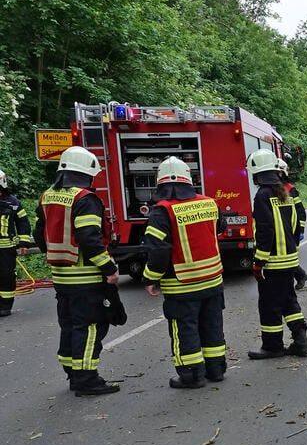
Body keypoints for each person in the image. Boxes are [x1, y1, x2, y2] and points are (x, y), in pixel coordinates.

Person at [33, 146, 120, 396]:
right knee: (91, 326)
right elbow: (90, 238)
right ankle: (86, 378)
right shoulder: (84, 199)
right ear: (87, 172)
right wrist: (108, 267)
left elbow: (40, 233)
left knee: (69, 325)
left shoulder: (48, 195)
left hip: (61, 277)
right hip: (85, 277)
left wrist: (54, 257)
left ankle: (73, 372)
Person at [141, 157, 228, 389]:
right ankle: (216, 370)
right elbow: (220, 228)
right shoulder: (209, 203)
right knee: (212, 326)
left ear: (159, 183)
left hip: (182, 285)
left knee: (185, 330)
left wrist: (150, 277)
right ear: (189, 179)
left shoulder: (162, 211)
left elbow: (157, 250)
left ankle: (191, 376)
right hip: (212, 280)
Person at [246, 149, 307, 359]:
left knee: (269, 305)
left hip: (272, 262)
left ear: (257, 174)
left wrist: (259, 262)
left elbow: (264, 231)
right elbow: (294, 227)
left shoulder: (262, 196)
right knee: (288, 300)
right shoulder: (285, 192)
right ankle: (301, 341)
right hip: (289, 259)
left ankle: (272, 346)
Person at [0, 169, 33, 317]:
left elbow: (23, 223)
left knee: (6, 277)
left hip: (6, 250)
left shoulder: (13, 203)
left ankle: (5, 306)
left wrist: (24, 243)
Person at [277, 158, 307, 290]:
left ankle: (300, 276)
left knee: (289, 257)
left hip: (292, 229)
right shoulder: (273, 189)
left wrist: (300, 230)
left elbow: (301, 211)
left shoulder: (290, 189)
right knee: (285, 257)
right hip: (282, 228)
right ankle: (301, 276)